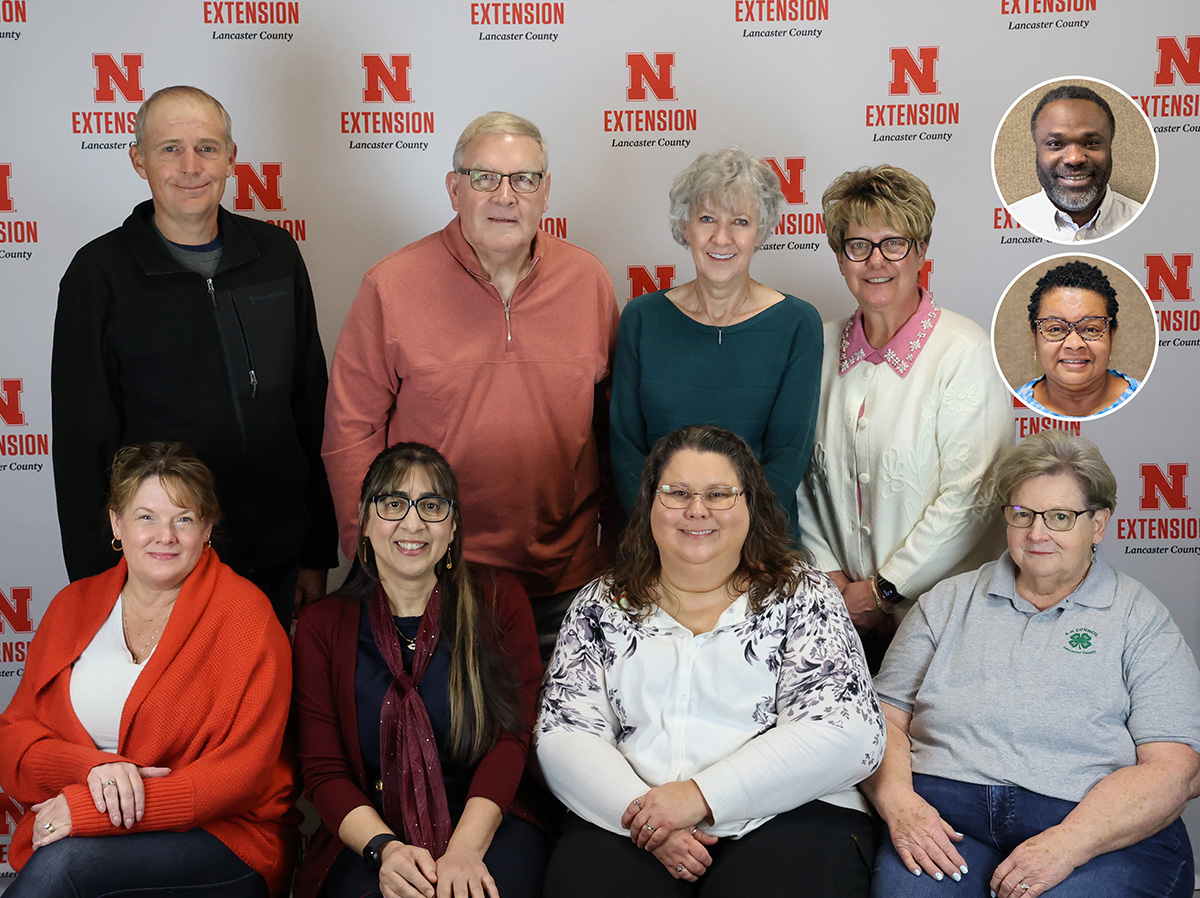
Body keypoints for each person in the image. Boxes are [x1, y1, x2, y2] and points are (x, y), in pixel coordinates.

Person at [536, 425, 885, 898]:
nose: (697, 510)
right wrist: (648, 818)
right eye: (677, 493)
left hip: (790, 816)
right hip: (631, 816)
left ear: (750, 504)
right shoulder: (600, 604)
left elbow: (849, 733)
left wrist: (700, 797)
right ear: (650, 504)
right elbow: (563, 734)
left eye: (719, 494)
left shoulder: (803, 595)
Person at [323, 110, 619, 656]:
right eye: (485, 177)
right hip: (432, 576)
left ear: (546, 192)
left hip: (565, 582)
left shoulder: (589, 281)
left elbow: (613, 428)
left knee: (556, 739)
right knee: (445, 739)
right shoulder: (391, 285)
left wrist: (618, 551)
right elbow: (350, 433)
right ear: (453, 188)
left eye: (524, 179)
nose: (505, 196)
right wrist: (372, 555)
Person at [864, 430, 1200, 898]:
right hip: (945, 819)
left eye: (1060, 517)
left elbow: (1175, 769)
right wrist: (900, 805)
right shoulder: (947, 602)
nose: (1036, 533)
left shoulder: (1139, 618)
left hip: (1091, 830)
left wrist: (1068, 843)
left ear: (1098, 525)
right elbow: (879, 724)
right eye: (1022, 514)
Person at [51, 84, 336, 625]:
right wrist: (98, 586)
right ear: (138, 160)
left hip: (277, 558)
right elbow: (81, 447)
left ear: (231, 158)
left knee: (271, 708)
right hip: (162, 569)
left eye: (206, 148)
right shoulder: (98, 275)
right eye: (169, 149)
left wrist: (317, 550)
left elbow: (311, 408)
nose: (190, 166)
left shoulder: (275, 254)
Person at [0, 442, 296, 897]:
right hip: (88, 825)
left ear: (207, 528)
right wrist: (93, 769)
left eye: (184, 519)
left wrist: (90, 810)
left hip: (223, 835)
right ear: (117, 523)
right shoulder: (72, 606)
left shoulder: (247, 619)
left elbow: (241, 775)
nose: (166, 536)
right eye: (146, 517)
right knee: (61, 864)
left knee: (62, 870)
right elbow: (13, 737)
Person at [293, 442, 548, 898]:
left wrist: (465, 850)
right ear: (364, 522)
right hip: (372, 831)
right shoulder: (321, 627)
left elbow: (512, 739)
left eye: (431, 506)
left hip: (488, 822)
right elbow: (324, 771)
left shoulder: (499, 602)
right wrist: (386, 851)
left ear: (452, 528)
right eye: (393, 504)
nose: (413, 523)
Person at [796, 164, 1012, 669]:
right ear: (839, 257)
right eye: (858, 245)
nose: (876, 261)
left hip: (944, 622)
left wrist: (882, 591)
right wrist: (833, 583)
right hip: (839, 618)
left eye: (894, 243)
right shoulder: (817, 348)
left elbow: (973, 494)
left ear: (919, 252)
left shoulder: (963, 350)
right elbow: (797, 480)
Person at [610, 147, 822, 539]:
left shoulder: (798, 324)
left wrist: (727, 541)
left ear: (760, 232)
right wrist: (665, 533)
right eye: (707, 218)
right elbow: (624, 446)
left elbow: (788, 455)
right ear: (684, 226)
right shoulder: (640, 319)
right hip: (656, 545)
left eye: (739, 221)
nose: (721, 238)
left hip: (760, 547)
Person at [1008, 84, 1142, 243]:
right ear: (1037, 149)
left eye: (1091, 143)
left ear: (1110, 146)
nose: (1074, 159)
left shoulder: (1144, 221)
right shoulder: (1013, 220)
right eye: (1055, 144)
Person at [1015, 260, 1139, 419]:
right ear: (1035, 337)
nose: (1074, 345)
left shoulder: (1146, 400)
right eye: (1056, 329)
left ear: (1112, 335)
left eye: (1090, 329)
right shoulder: (1009, 408)